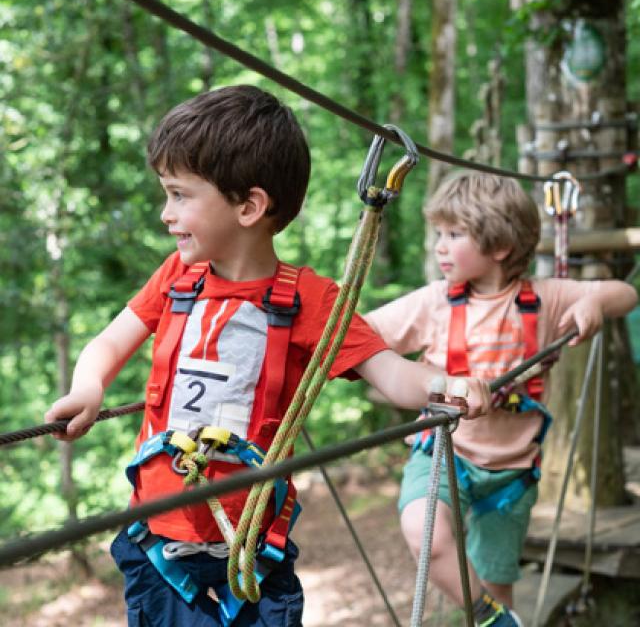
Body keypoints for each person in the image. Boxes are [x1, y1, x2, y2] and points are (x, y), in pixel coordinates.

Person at [44, 86, 490, 627]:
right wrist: (90, 386)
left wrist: (448, 382)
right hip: (159, 543)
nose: (166, 214)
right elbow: (109, 342)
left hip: (253, 552)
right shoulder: (175, 279)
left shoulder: (310, 300)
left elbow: (392, 375)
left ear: (249, 206)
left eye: (180, 195)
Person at [364, 170, 638, 627]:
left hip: (511, 475)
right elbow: (363, 333)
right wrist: (409, 377)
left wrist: (594, 303)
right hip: (444, 454)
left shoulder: (545, 299)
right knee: (426, 533)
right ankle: (489, 615)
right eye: (438, 233)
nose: (439, 246)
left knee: (496, 579)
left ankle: (493, 612)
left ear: (500, 247)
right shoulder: (434, 302)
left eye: (454, 234)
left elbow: (625, 293)